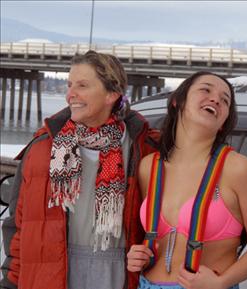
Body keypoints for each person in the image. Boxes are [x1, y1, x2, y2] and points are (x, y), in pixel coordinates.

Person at [1, 50, 159, 289]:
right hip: (50, 274)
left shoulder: (144, 148)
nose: (70, 95)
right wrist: (10, 283)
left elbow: (165, 222)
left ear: (112, 94)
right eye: (69, 85)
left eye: (82, 85)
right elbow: (18, 225)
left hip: (117, 275)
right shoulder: (42, 148)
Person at [126, 71, 247, 289]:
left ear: (223, 121)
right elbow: (156, 240)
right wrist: (139, 256)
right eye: (206, 89)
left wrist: (222, 282)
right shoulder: (150, 167)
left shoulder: (239, 169)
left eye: (225, 100)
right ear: (177, 101)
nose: (215, 99)